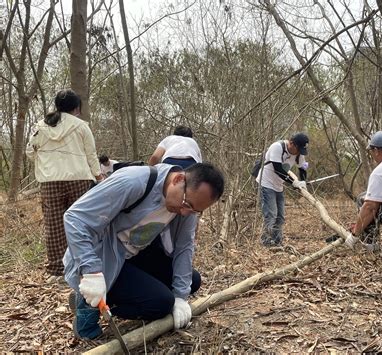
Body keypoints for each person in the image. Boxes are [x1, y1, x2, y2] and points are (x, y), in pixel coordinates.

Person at [63, 162, 225, 339]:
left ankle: (107, 293)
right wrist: (91, 271)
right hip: (103, 254)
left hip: (135, 253)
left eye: (195, 210)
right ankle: (88, 301)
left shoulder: (187, 208)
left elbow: (184, 247)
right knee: (162, 303)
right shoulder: (133, 181)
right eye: (187, 204)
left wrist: (180, 297)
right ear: (178, 179)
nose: (185, 213)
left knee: (191, 281)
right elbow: (75, 217)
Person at [26, 89, 102, 277]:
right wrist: (99, 176)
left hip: (50, 181)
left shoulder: (41, 126)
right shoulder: (81, 126)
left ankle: (57, 270)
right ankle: (84, 266)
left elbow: (30, 151)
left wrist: (46, 163)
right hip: (79, 179)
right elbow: (91, 155)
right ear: (77, 108)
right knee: (81, 223)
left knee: (54, 226)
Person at [255, 133, 309, 247]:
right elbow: (278, 169)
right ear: (291, 143)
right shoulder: (277, 147)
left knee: (280, 216)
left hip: (279, 185)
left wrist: (303, 181)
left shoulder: (299, 154)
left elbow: (303, 167)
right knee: (271, 214)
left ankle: (277, 241)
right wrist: (293, 182)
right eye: (298, 149)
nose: (299, 153)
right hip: (266, 183)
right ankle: (266, 241)